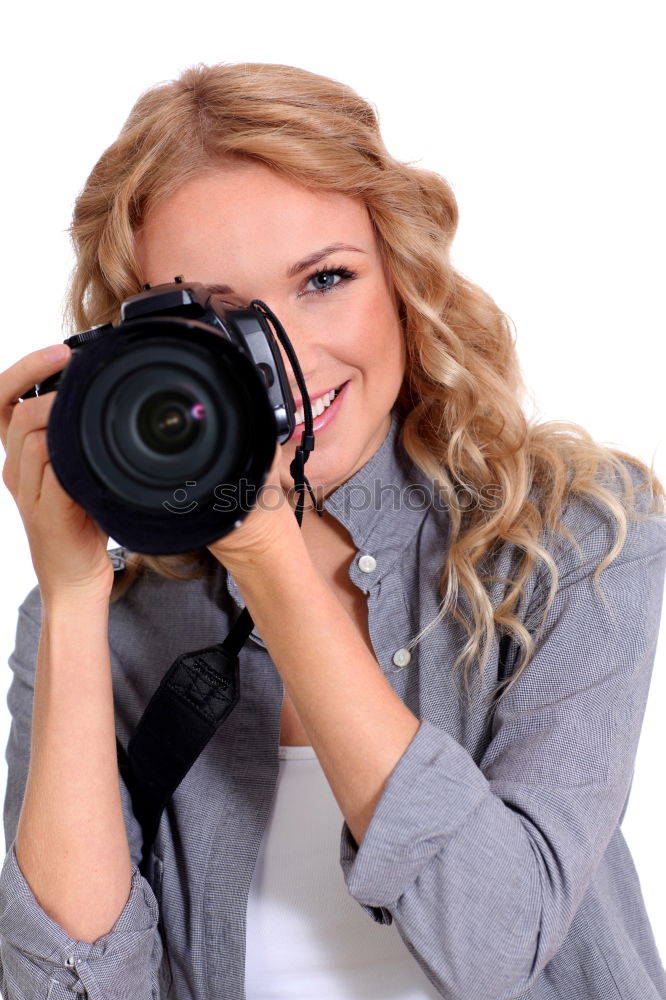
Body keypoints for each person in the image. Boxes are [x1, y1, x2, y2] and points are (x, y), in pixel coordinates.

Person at [0, 61, 664, 1000]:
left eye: (324, 279)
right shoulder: (113, 618)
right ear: (144, 347)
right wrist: (71, 599)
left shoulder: (575, 542)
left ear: (401, 274)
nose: (290, 356)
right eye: (220, 317)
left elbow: (497, 940)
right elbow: (71, 989)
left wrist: (266, 552)